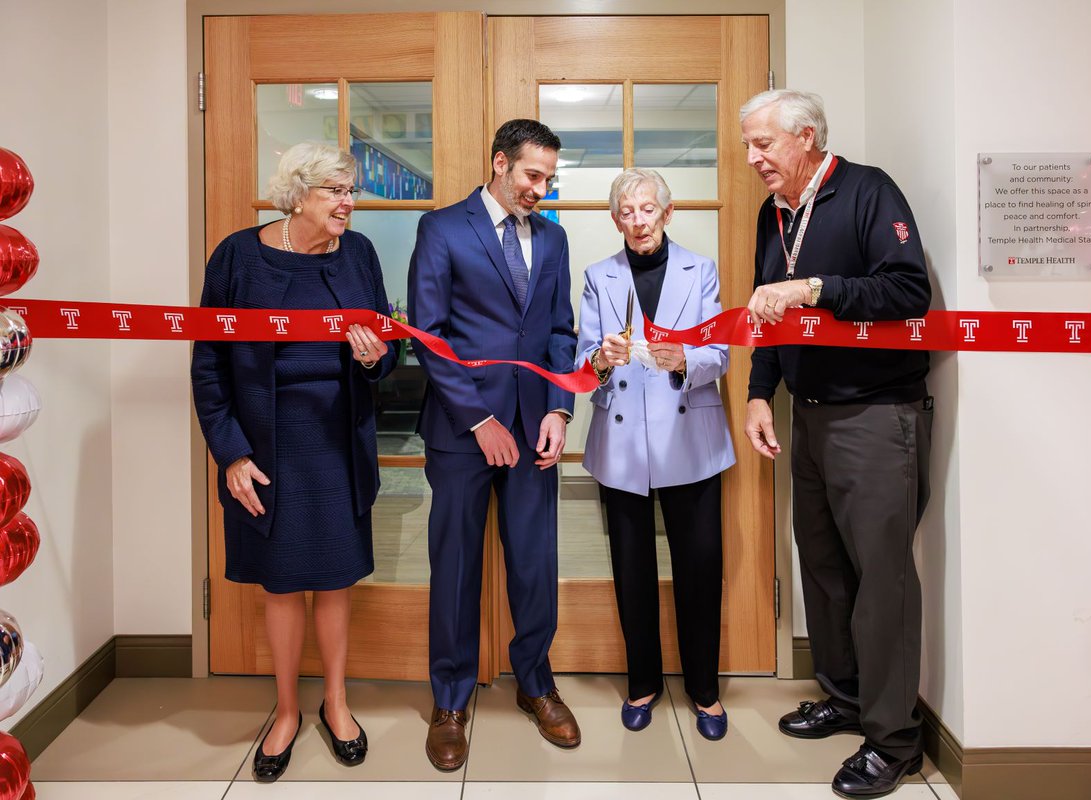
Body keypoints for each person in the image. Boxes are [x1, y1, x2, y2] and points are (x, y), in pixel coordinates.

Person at [739, 89, 933, 799]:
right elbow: (767, 308)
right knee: (822, 567)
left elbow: (908, 293)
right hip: (810, 416)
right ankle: (846, 698)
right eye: (749, 147)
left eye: (764, 145)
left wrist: (815, 288)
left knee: (882, 582)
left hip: (877, 417)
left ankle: (895, 741)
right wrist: (762, 392)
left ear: (807, 137)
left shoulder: (868, 192)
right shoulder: (775, 213)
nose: (754, 159)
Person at [191, 142, 396, 783]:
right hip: (268, 448)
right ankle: (285, 712)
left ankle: (335, 704)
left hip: (338, 443)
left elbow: (388, 351)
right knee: (281, 584)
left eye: (351, 191)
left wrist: (372, 357)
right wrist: (230, 453)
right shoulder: (237, 256)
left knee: (335, 578)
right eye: (335, 190)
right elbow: (208, 364)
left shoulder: (359, 254)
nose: (348, 202)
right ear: (298, 194)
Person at [408, 119, 579, 771]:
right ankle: (450, 700)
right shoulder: (443, 229)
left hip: (535, 429)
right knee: (454, 567)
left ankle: (535, 683)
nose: (541, 188)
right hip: (461, 433)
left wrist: (560, 409)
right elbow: (429, 334)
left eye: (549, 179)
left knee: (534, 564)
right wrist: (480, 419)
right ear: (500, 164)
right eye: (532, 175)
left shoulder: (556, 240)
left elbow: (562, 332)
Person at [576, 169, 735, 741]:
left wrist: (684, 362)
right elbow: (582, 369)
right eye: (627, 211)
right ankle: (642, 681)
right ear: (615, 219)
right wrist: (602, 359)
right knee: (632, 569)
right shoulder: (598, 276)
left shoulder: (701, 269)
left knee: (699, 567)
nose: (638, 221)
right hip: (621, 440)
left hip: (689, 436)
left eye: (648, 210)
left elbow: (719, 351)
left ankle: (705, 691)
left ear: (667, 214)